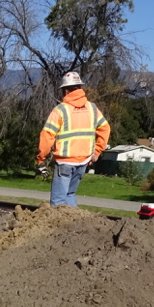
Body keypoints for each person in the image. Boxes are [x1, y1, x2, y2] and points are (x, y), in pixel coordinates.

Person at [36, 72, 111, 208]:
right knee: (70, 194)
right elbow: (105, 129)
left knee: (58, 200)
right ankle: (74, 226)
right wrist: (97, 152)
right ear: (79, 87)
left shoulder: (60, 110)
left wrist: (41, 159)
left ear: (65, 90)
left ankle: (58, 227)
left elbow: (47, 136)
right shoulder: (92, 108)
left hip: (65, 161)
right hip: (84, 161)